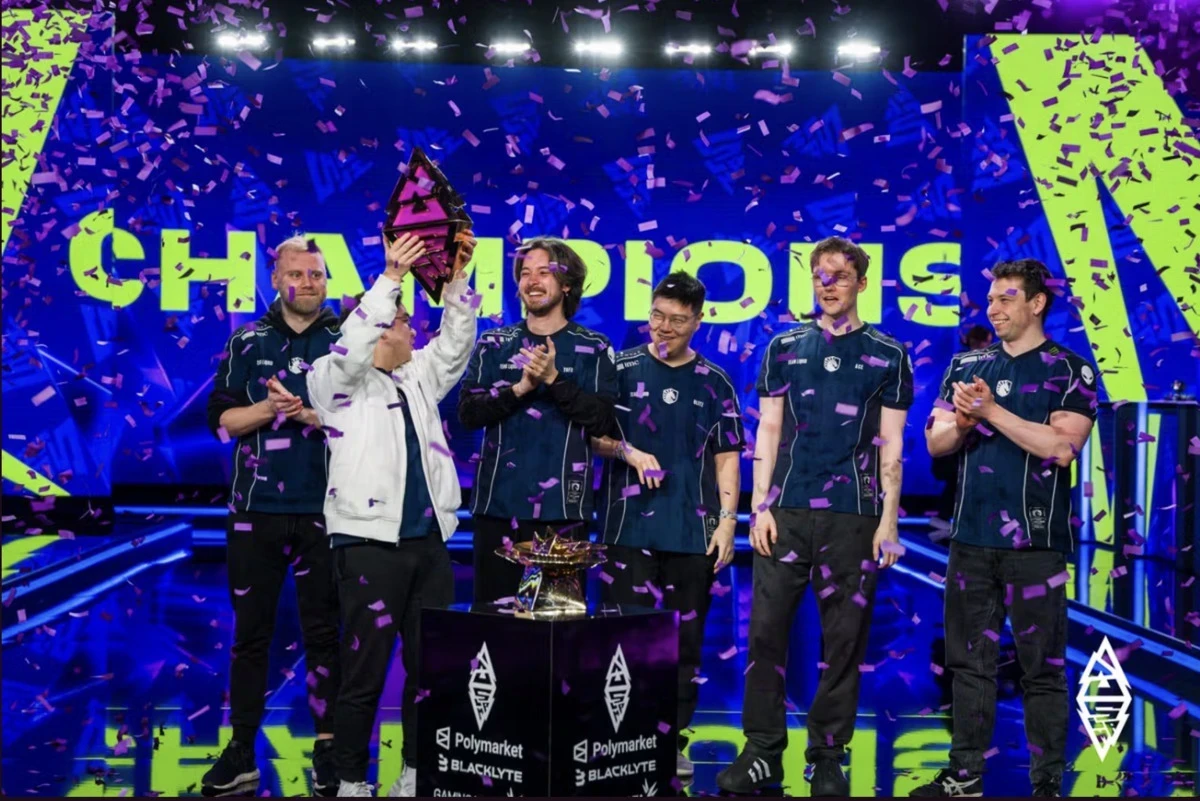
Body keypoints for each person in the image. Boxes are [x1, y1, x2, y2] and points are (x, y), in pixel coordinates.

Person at [717, 236, 913, 797]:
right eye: (820, 275)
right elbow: (769, 429)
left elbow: (892, 446)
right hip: (785, 512)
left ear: (862, 283)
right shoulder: (783, 346)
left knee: (843, 640)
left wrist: (889, 521)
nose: (828, 285)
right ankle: (762, 752)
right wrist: (759, 506)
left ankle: (827, 757)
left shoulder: (888, 353)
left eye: (840, 275)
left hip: (854, 515)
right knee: (765, 634)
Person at [915, 259, 1096, 799]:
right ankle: (964, 774)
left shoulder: (1071, 370)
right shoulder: (966, 364)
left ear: (1037, 303)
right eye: (991, 299)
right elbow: (936, 443)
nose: (993, 308)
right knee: (968, 663)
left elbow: (1062, 448)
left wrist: (991, 412)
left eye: (1006, 298)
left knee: (1042, 668)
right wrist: (963, 421)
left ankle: (1046, 784)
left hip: (1035, 545)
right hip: (970, 540)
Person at [306, 232, 478, 798]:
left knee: (431, 671)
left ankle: (416, 771)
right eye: (405, 323)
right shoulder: (333, 383)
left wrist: (456, 281)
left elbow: (456, 343)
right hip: (369, 548)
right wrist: (390, 280)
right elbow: (352, 344)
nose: (414, 332)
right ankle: (352, 779)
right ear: (381, 329)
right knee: (365, 673)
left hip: (428, 546)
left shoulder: (416, 376)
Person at [204, 235, 343, 797]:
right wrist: (269, 408)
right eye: (297, 274)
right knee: (250, 636)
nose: (308, 283)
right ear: (276, 279)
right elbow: (223, 425)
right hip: (254, 512)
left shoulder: (347, 339)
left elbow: (368, 418)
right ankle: (241, 748)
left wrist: (312, 413)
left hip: (328, 511)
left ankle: (329, 749)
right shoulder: (247, 341)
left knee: (325, 636)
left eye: (316, 274)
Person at [591, 272, 744, 780]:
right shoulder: (620, 368)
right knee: (621, 639)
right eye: (657, 316)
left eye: (678, 320)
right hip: (626, 529)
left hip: (691, 532)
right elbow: (591, 436)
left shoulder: (716, 381)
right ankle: (620, 740)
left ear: (698, 321)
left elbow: (727, 457)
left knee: (685, 644)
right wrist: (628, 451)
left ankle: (670, 740)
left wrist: (727, 524)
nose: (664, 327)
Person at [457, 237, 617, 605]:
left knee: (556, 628)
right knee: (494, 623)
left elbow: (603, 421)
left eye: (544, 272)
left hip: (562, 514)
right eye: (525, 273)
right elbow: (468, 414)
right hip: (496, 511)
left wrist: (554, 380)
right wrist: (520, 389)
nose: (532, 281)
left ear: (567, 284)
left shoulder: (594, 347)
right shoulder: (494, 342)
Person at [932, 326, 995, 520]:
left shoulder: (988, 364)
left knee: (960, 479)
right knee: (958, 477)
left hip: (974, 431)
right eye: (986, 341)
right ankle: (946, 519)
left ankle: (946, 518)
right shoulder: (961, 364)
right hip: (962, 429)